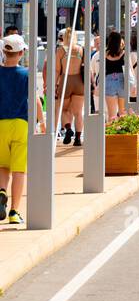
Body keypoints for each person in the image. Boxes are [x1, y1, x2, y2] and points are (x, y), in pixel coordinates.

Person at [0, 33, 45, 225]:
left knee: (2, 165)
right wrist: (42, 121)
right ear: (21, 53)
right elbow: (35, 100)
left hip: (0, 123)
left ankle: (1, 191)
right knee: (19, 169)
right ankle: (14, 211)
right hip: (20, 123)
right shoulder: (26, 74)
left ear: (4, 52)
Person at [54, 28, 85, 147]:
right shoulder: (80, 49)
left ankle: (68, 129)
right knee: (78, 112)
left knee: (64, 109)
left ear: (64, 37)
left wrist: (54, 84)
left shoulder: (61, 50)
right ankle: (77, 138)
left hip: (65, 81)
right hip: (78, 81)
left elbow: (57, 70)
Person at [103, 30, 126, 123]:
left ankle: (110, 135)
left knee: (111, 115)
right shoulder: (123, 53)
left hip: (109, 80)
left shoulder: (105, 53)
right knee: (123, 113)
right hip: (122, 81)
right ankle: (124, 135)